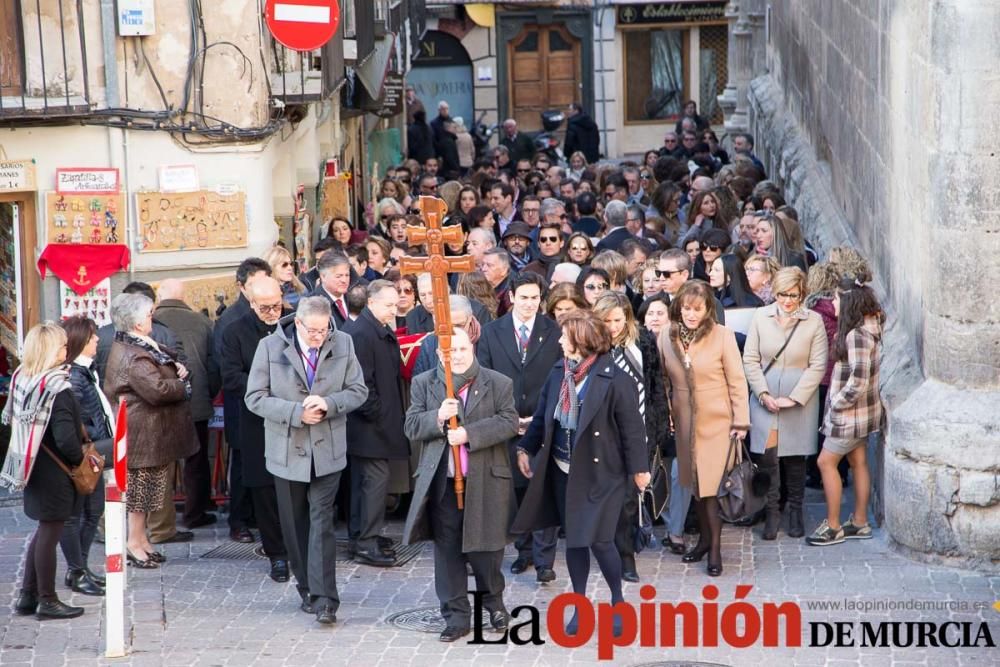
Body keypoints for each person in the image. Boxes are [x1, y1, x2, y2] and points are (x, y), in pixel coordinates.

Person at [512, 310, 649, 635]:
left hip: (602, 475)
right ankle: (580, 604)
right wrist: (525, 448)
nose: (560, 341)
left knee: (601, 541)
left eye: (565, 336)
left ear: (582, 341)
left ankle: (617, 601)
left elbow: (632, 430)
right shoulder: (559, 372)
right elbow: (544, 415)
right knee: (575, 542)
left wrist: (640, 469)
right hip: (563, 471)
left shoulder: (615, 380)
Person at [245, 297, 368, 625]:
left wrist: (329, 403)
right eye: (312, 331)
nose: (318, 337)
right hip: (287, 451)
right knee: (296, 525)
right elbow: (254, 397)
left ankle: (326, 598)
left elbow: (358, 390)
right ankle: (306, 588)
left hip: (328, 450)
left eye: (323, 330)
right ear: (297, 323)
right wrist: (296, 413)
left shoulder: (343, 341)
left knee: (322, 522)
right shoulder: (270, 347)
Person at [403, 327, 519, 642]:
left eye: (460, 349)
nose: (454, 356)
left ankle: (493, 603)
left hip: (484, 481)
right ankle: (455, 615)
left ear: (472, 347)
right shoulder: (424, 383)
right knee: (448, 551)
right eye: (447, 351)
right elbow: (412, 425)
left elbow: (509, 421)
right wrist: (438, 418)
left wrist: (470, 434)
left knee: (486, 550)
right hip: (443, 483)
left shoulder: (497, 382)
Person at [657, 281, 749, 576]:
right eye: (686, 308)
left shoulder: (722, 336)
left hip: (717, 418)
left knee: (712, 487)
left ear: (708, 309)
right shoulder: (665, 336)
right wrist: (668, 413)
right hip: (684, 419)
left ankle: (715, 550)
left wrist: (740, 420)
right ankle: (704, 542)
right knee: (694, 486)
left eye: (697, 309)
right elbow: (663, 381)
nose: (691, 314)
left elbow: (737, 380)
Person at [477, 272, 563, 583]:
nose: (529, 304)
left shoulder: (553, 332)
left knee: (543, 489)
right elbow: (484, 378)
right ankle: (523, 551)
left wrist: (538, 418)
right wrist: (509, 418)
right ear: (512, 297)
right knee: (515, 490)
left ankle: (545, 561)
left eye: (535, 298)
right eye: (524, 297)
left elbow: (560, 377)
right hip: (505, 422)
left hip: (543, 422)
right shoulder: (491, 332)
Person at [104, 293, 198, 568]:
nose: (151, 319)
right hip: (141, 434)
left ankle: (142, 540)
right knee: (139, 493)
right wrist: (183, 386)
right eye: (148, 315)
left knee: (147, 492)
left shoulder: (136, 344)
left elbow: (160, 363)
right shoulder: (133, 356)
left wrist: (174, 366)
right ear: (135, 324)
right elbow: (157, 390)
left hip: (149, 433)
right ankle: (134, 542)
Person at [3, 323, 88, 619]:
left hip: (30, 463)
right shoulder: (57, 387)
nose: (67, 350)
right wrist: (79, 460)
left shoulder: (22, 378)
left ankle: (28, 596)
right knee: (50, 533)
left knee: (43, 531)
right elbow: (66, 438)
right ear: (51, 350)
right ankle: (47, 599)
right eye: (63, 346)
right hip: (54, 471)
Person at [742, 268, 828, 540]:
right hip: (765, 395)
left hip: (798, 398)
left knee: (795, 458)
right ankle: (771, 512)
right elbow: (750, 359)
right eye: (782, 294)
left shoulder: (813, 321)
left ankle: (795, 511)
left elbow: (818, 365)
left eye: (793, 295)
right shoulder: (761, 316)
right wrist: (763, 393)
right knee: (768, 457)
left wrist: (793, 398)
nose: (788, 301)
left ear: (802, 293)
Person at [591, 292, 669, 583]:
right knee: (609, 496)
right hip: (603, 433)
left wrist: (659, 428)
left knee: (629, 496)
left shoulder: (643, 342)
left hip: (639, 429)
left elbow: (655, 386)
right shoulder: (591, 347)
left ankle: (626, 555)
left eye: (617, 320)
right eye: (607, 320)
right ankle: (611, 548)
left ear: (628, 318)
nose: (612, 326)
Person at [220, 278, 292, 583]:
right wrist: (271, 390)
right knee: (264, 491)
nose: (273, 311)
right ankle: (277, 554)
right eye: (265, 307)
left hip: (293, 421)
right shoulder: (235, 332)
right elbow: (232, 378)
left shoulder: (291, 326)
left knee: (294, 488)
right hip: (257, 421)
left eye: (277, 304)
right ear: (251, 303)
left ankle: (299, 548)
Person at [807, 280, 884, 547]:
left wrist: (837, 403)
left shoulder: (856, 336)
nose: (833, 304)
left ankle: (833, 526)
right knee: (858, 462)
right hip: (862, 415)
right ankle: (860, 522)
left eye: (837, 300)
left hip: (850, 416)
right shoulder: (867, 329)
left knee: (825, 463)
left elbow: (858, 381)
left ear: (849, 304)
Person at [342, 281, 409, 567]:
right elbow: (362, 385)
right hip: (369, 427)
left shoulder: (375, 329)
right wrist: (379, 415)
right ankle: (365, 542)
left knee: (367, 484)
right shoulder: (362, 334)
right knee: (373, 485)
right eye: (389, 305)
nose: (394, 310)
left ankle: (362, 536)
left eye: (396, 305)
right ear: (371, 303)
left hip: (376, 424)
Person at [154, 279, 221, 530]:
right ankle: (194, 513)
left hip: (158, 403)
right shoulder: (202, 321)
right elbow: (215, 366)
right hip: (196, 402)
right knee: (196, 460)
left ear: (159, 297)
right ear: (184, 297)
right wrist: (207, 393)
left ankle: (158, 520)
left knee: (160, 460)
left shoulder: (150, 322)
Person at [214, 258, 272, 543]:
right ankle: (239, 520)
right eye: (254, 285)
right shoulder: (231, 321)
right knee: (243, 466)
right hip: (243, 407)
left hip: (273, 410)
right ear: (243, 287)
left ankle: (261, 517)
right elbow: (228, 371)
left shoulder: (278, 317)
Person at [59, 317, 111, 596]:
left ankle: (80, 567)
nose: (98, 340)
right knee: (84, 513)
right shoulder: (75, 378)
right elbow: (75, 422)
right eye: (92, 337)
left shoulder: (86, 372)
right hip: (87, 454)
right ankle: (76, 570)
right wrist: (97, 441)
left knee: (93, 512)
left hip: (95, 451)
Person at [311, 251, 352, 329]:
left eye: (347, 275)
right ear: (323, 276)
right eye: (338, 276)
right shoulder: (312, 304)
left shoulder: (353, 299)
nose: (344, 280)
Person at [481, 248, 513, 316]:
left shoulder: (511, 293)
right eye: (483, 264)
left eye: (489, 265)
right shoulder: (479, 285)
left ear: (504, 270)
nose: (483, 269)